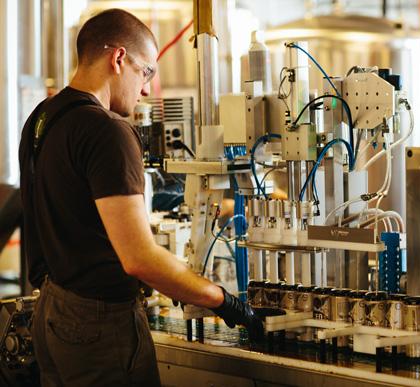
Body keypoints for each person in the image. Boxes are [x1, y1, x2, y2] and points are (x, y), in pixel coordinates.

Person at [19, 9, 262, 387]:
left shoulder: (43, 117)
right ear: (119, 59)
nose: (147, 89)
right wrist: (224, 301)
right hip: (99, 325)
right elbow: (139, 258)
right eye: (146, 71)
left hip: (51, 310)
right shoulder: (108, 132)